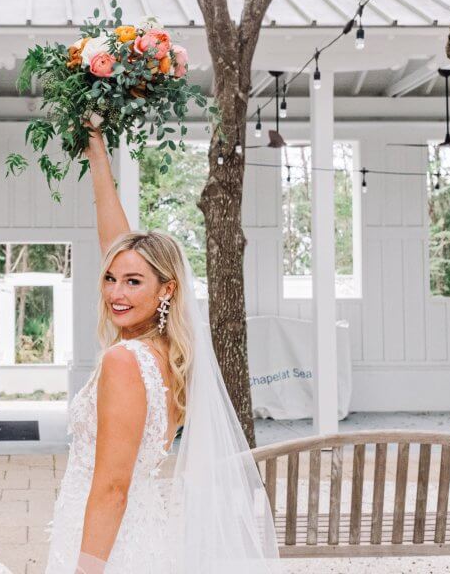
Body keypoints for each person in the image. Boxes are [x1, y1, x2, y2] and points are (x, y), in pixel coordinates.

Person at [43, 128, 281, 573]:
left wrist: (86, 570)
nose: (116, 292)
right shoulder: (170, 353)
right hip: (143, 529)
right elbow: (119, 246)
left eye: (133, 283)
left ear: (166, 289)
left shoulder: (124, 360)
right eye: (111, 278)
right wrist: (98, 153)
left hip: (110, 543)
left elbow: (113, 485)